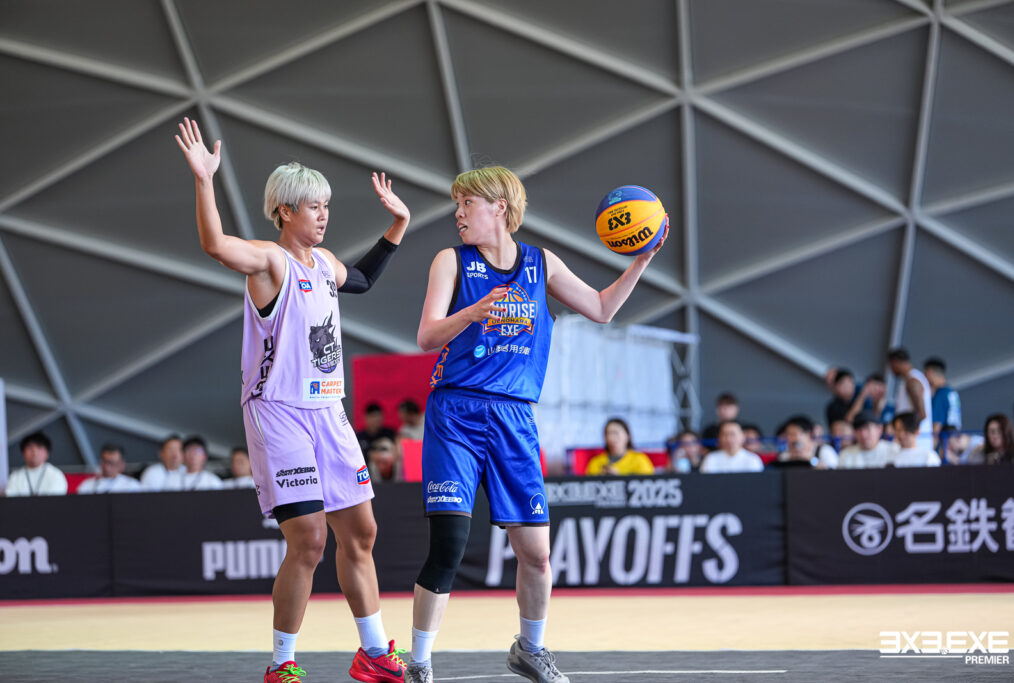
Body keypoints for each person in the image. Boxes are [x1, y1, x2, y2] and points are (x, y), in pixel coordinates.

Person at [405, 166, 668, 683]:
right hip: (456, 413)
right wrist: (472, 312)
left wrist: (641, 259)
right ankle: (418, 663)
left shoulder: (540, 262)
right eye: (457, 205)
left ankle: (531, 649)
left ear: (499, 206)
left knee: (537, 553)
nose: (458, 213)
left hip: (514, 416)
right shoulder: (450, 261)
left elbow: (601, 308)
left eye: (467, 203)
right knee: (450, 544)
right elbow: (426, 336)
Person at [175, 116, 410, 683]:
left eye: (327, 205)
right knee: (309, 540)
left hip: (328, 410)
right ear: (284, 211)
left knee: (362, 534)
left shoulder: (325, 264)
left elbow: (363, 280)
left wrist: (398, 224)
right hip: (278, 412)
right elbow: (215, 245)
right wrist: (205, 180)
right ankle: (282, 663)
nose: (324, 214)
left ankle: (372, 653)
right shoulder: (270, 261)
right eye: (313, 206)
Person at [888, 348, 933, 451]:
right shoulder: (907, 380)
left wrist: (905, 433)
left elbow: (921, 414)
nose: (890, 369)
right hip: (911, 441)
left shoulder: (912, 381)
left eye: (891, 365)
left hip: (916, 443)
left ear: (895, 362)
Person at [584, 418, 655, 476]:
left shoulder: (639, 460)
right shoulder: (596, 462)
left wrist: (619, 477)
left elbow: (647, 484)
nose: (611, 438)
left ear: (627, 436)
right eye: (608, 434)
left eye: (615, 433)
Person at [5, 432, 67, 496]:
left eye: (39, 447)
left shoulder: (56, 475)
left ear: (47, 453)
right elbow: (10, 498)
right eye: (30, 447)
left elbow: (56, 500)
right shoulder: (15, 477)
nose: (34, 452)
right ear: (23, 453)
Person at [699, 421, 764, 474]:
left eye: (732, 434)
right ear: (719, 437)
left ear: (742, 436)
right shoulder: (711, 458)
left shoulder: (753, 459)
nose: (729, 439)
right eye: (725, 434)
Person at [923, 357, 962, 442]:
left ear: (930, 372)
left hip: (944, 443)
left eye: (925, 374)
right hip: (955, 440)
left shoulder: (941, 394)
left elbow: (936, 427)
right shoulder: (951, 392)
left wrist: (931, 447)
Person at [77, 444, 142, 494]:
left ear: (122, 465)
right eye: (104, 462)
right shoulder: (87, 485)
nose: (107, 467)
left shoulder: (132, 486)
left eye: (112, 463)